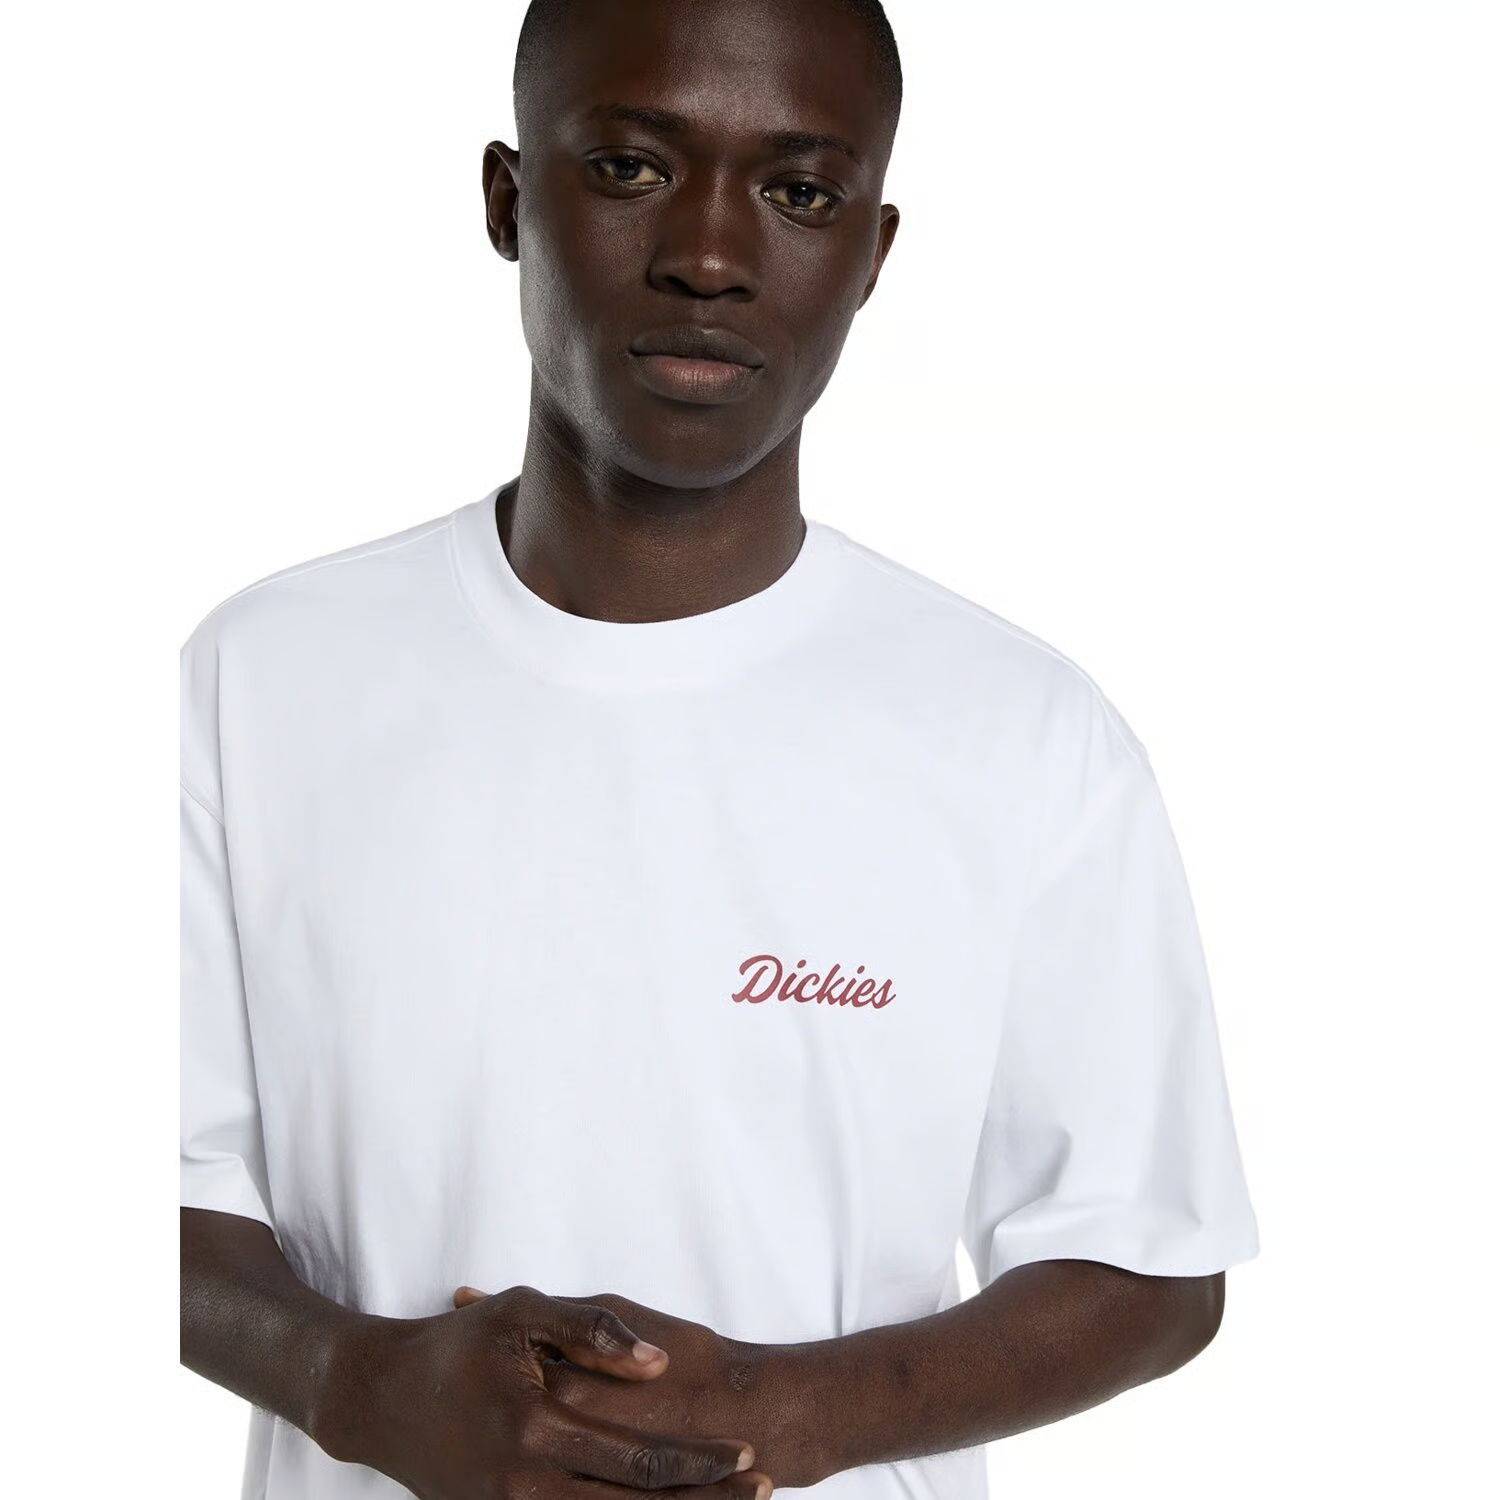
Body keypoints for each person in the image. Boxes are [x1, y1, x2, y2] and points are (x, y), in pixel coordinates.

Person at [179, 1, 1259, 1497]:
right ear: (508, 200)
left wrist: (773, 1411)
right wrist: (350, 1381)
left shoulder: (1023, 736)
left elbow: (1148, 1261)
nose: (709, 255)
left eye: (800, 192)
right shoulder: (257, 681)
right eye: (632, 167)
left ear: (871, 255)